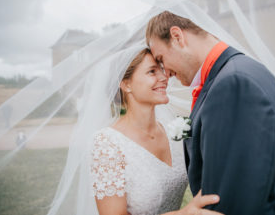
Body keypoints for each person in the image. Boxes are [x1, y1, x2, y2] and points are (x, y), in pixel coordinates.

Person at [146, 11, 275, 215]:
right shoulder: (239, 71)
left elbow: (233, 202)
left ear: (177, 37)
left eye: (161, 59)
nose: (166, 73)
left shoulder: (234, 84)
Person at [90, 48, 223, 215]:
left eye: (161, 69)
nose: (164, 77)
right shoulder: (107, 143)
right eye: (152, 71)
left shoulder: (176, 128)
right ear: (126, 84)